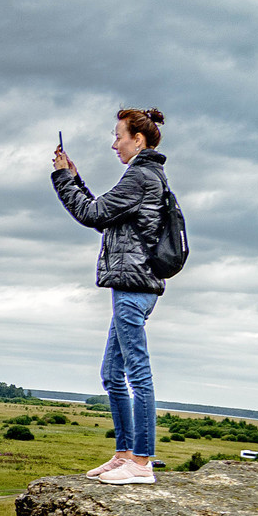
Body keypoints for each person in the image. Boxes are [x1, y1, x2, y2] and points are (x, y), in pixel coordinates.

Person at [52, 109, 171, 485]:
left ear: (138, 139)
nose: (113, 142)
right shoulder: (145, 176)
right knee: (111, 374)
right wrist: (73, 177)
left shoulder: (140, 175)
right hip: (133, 284)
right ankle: (124, 455)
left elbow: (91, 213)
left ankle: (141, 463)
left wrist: (60, 178)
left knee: (137, 373)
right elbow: (104, 216)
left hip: (133, 286)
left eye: (118, 135)